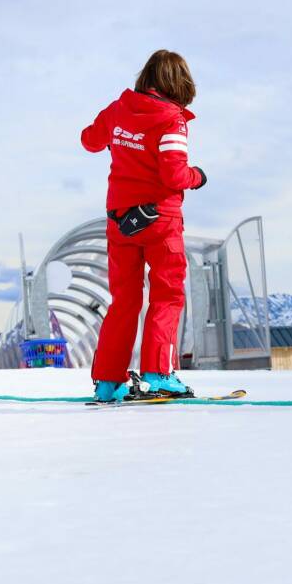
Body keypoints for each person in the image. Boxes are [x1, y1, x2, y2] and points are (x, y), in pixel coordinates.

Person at [81, 50, 207, 402]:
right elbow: (173, 174)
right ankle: (159, 372)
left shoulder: (117, 109)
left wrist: (119, 137)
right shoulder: (172, 120)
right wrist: (197, 177)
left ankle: (109, 382)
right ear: (178, 82)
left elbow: (89, 140)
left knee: (124, 300)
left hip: (121, 221)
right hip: (160, 220)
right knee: (167, 295)